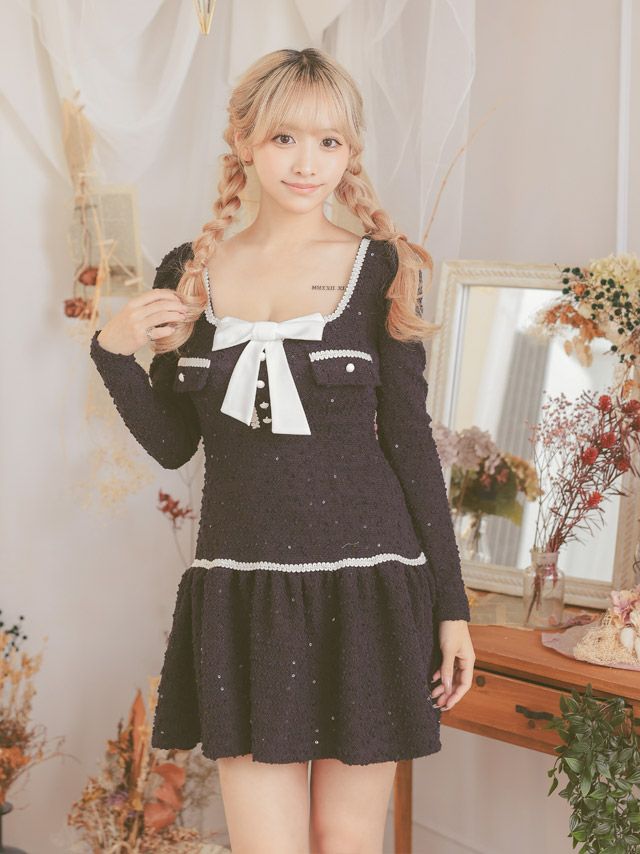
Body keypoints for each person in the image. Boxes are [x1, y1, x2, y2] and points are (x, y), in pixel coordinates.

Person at [90, 47, 475, 854]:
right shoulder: (189, 274)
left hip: (371, 588)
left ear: (350, 151)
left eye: (329, 142)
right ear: (244, 142)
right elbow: (174, 444)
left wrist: (452, 608)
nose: (308, 164)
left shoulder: (384, 270)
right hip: (244, 594)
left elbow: (411, 447)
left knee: (345, 839)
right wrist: (113, 353)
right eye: (285, 139)